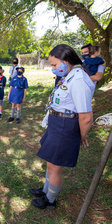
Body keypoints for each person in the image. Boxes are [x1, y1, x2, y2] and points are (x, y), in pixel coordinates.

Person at [29, 44, 94, 209]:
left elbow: (86, 116)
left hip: (65, 127)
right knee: (51, 162)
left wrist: (82, 135)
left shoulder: (79, 79)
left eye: (54, 65)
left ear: (66, 61)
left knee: (55, 166)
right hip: (57, 123)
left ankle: (50, 199)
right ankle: (45, 190)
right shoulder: (70, 75)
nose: (53, 69)